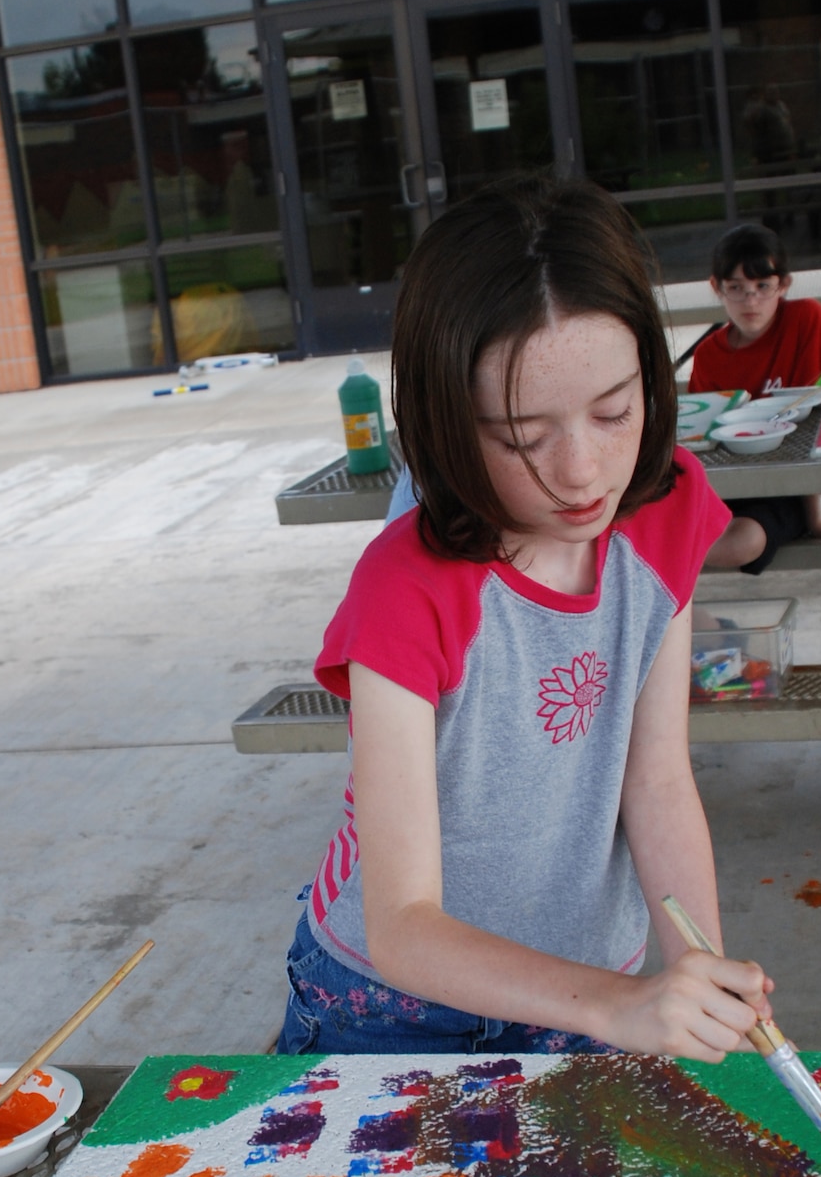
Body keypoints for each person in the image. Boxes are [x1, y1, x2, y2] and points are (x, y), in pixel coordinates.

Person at [277, 177, 773, 1060]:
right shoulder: (405, 588)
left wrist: (699, 973)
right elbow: (401, 924)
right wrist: (623, 1006)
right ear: (444, 422)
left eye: (614, 412)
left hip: (597, 979)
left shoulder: (664, 514)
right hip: (392, 1012)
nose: (582, 473)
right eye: (519, 436)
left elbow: (653, 779)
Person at [692, 222, 821, 573]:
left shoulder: (805, 319)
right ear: (716, 288)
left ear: (783, 284)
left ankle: (644, 565)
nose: (750, 300)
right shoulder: (709, 354)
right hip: (726, 484)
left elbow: (811, 419)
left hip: (787, 486)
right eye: (736, 288)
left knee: (742, 543)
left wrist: (815, 520)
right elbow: (703, 440)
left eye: (762, 286)